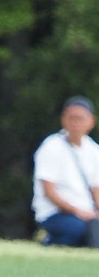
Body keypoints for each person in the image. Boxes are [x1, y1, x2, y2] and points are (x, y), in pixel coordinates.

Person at [32, 96, 99, 248]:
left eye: (80, 119)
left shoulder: (93, 150)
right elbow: (49, 192)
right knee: (79, 230)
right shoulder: (51, 146)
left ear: (91, 121)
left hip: (87, 213)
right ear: (63, 119)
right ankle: (49, 240)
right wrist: (78, 211)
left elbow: (96, 188)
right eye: (71, 118)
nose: (75, 123)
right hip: (56, 212)